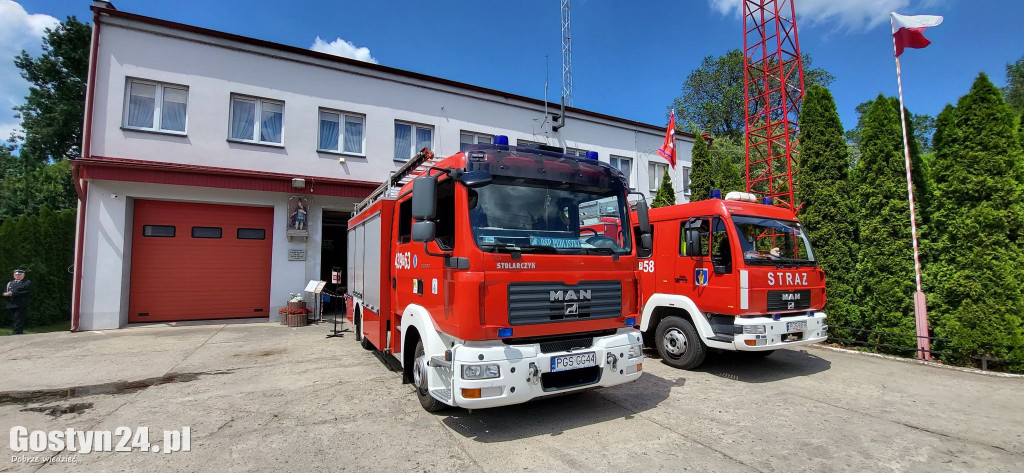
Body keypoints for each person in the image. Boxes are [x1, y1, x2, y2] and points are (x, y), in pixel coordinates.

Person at [4, 269, 31, 335]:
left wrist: (13, 293)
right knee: (14, 318)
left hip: (21, 303)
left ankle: (17, 332)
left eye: (19, 275)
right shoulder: (10, 283)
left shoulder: (26, 282)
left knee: (18, 318)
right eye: (16, 274)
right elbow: (6, 291)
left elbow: (27, 292)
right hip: (12, 303)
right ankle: (16, 330)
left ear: (22, 275)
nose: (17, 276)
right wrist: (5, 294)